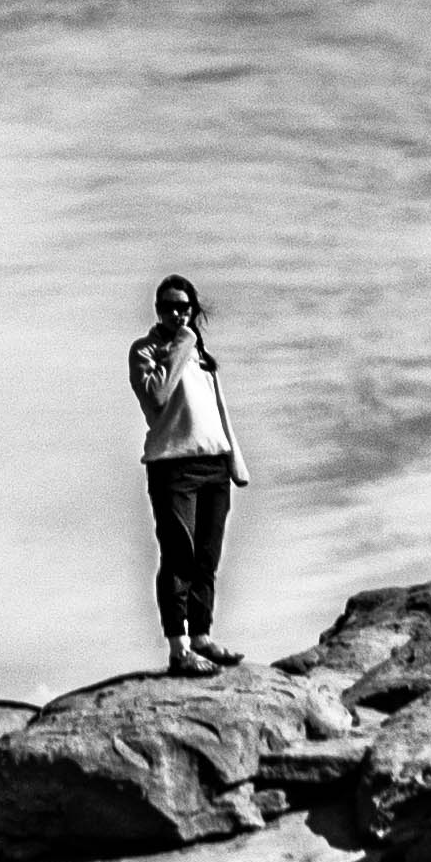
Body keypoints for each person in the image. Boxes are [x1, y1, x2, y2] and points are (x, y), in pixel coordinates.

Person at [130, 275, 245, 672]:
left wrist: (234, 460)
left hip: (214, 463)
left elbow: (219, 411)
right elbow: (157, 396)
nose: (177, 313)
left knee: (206, 559)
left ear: (193, 309)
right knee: (179, 555)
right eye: (168, 307)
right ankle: (179, 649)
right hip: (172, 465)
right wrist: (181, 343)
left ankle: (201, 637)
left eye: (183, 307)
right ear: (157, 310)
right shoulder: (145, 351)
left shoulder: (201, 357)